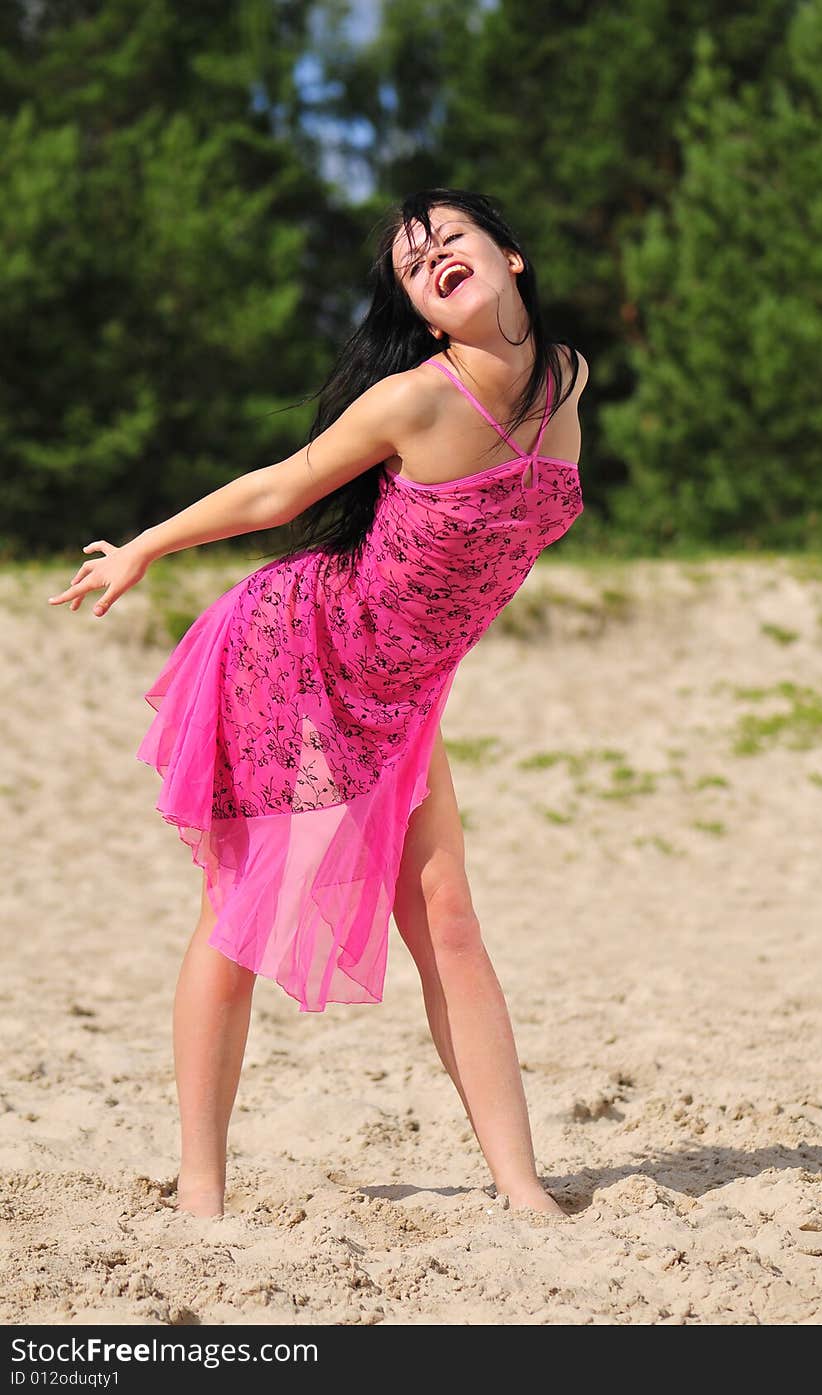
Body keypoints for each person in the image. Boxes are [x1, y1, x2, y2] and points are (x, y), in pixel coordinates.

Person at [47, 188, 589, 1221]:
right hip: (299, 658)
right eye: (411, 262)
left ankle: (522, 1191)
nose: (432, 259)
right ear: (424, 315)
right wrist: (147, 548)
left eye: (449, 239)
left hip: (406, 691)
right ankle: (200, 1193)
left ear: (510, 257)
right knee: (239, 916)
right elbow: (278, 490)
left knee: (450, 921)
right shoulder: (416, 400)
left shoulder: (567, 380)